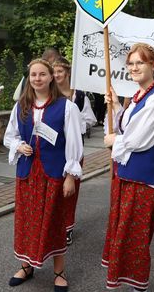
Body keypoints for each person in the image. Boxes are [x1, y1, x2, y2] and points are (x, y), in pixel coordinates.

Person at [4, 58, 83, 292]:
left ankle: (59, 272)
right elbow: (10, 135)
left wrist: (70, 176)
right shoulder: (22, 106)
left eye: (42, 74)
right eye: (33, 75)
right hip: (28, 173)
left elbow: (74, 145)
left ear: (51, 77)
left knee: (54, 222)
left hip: (53, 174)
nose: (37, 78)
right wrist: (18, 146)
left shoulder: (67, 107)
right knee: (27, 222)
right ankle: (26, 267)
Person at [102, 43, 154, 291]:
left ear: (153, 65)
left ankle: (138, 286)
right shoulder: (137, 98)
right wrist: (115, 108)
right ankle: (129, 283)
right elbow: (127, 127)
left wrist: (114, 141)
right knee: (124, 235)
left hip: (143, 180)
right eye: (130, 63)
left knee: (135, 239)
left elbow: (140, 140)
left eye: (139, 63)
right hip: (127, 175)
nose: (133, 67)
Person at [52, 56, 96, 245]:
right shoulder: (50, 94)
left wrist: (76, 127)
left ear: (67, 73)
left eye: (59, 71)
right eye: (53, 72)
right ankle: (53, 226)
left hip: (74, 151)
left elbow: (90, 119)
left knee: (70, 191)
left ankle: (67, 228)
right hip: (53, 151)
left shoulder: (79, 95)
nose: (56, 75)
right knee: (53, 191)